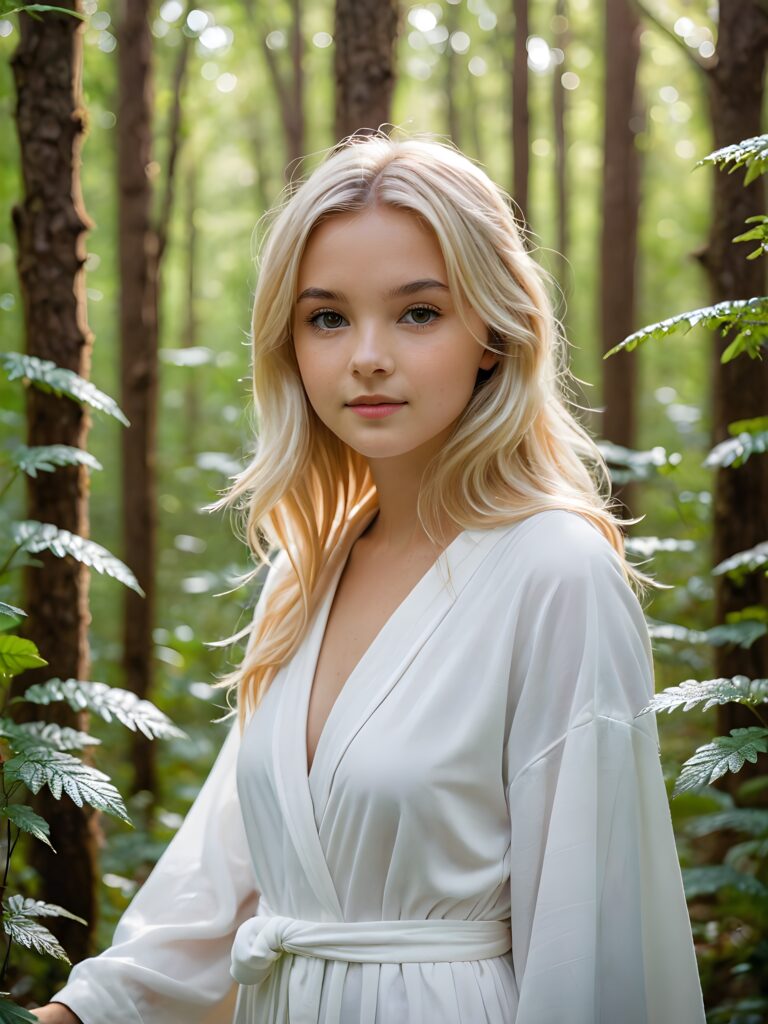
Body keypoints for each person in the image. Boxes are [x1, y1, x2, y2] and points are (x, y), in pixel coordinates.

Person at [34, 130, 706, 1024]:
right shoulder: (304, 574)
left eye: (419, 313)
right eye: (328, 317)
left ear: (495, 334)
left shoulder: (557, 571)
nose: (367, 357)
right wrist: (77, 1014)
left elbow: (593, 935)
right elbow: (229, 879)